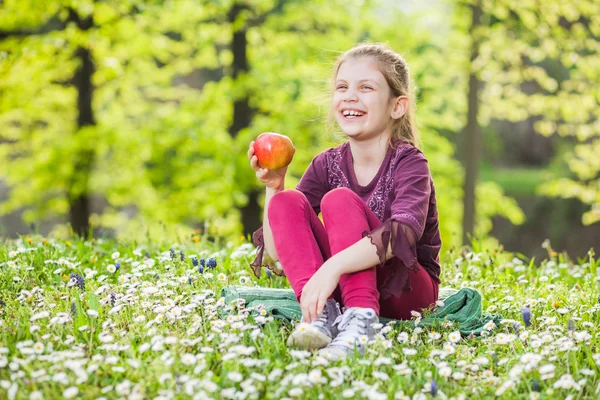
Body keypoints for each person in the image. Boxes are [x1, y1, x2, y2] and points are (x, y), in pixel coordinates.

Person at [246, 42, 441, 361]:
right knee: (285, 202)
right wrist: (274, 186)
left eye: (366, 87)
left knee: (338, 200)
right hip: (340, 286)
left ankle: (361, 322)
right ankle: (320, 315)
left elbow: (404, 235)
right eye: (342, 87)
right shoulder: (327, 164)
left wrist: (333, 266)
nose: (350, 96)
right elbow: (277, 250)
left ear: (397, 106)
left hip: (406, 291)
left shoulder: (409, 162)